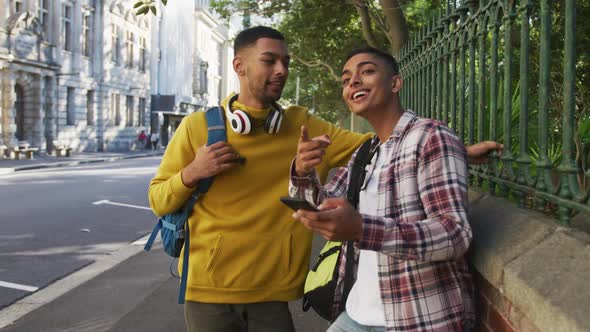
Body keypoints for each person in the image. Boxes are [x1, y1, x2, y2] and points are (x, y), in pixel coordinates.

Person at [149, 26, 500, 332]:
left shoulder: (302, 124)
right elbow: (159, 200)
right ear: (239, 66)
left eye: (285, 61)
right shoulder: (196, 127)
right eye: (270, 61)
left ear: (395, 82)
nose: (281, 70)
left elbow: (380, 142)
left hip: (273, 291)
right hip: (207, 289)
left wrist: (457, 148)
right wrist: (192, 173)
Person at [290, 47, 477, 331]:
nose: (353, 82)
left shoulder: (430, 138)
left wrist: (362, 230)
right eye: (345, 79)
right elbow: (324, 204)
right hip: (356, 312)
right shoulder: (366, 151)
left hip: (416, 318)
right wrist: (303, 172)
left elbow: (454, 234)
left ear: (395, 83)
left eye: (367, 71)